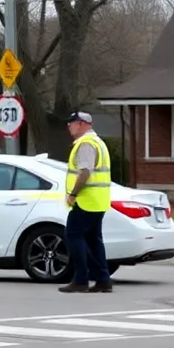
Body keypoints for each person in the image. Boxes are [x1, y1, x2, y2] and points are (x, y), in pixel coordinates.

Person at [59, 111, 113, 293]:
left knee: (73, 235)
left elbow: (85, 172)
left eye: (72, 123)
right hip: (98, 200)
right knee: (94, 240)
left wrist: (73, 193)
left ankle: (81, 279)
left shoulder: (86, 144)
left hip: (86, 200)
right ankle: (103, 280)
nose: (69, 126)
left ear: (82, 124)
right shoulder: (98, 142)